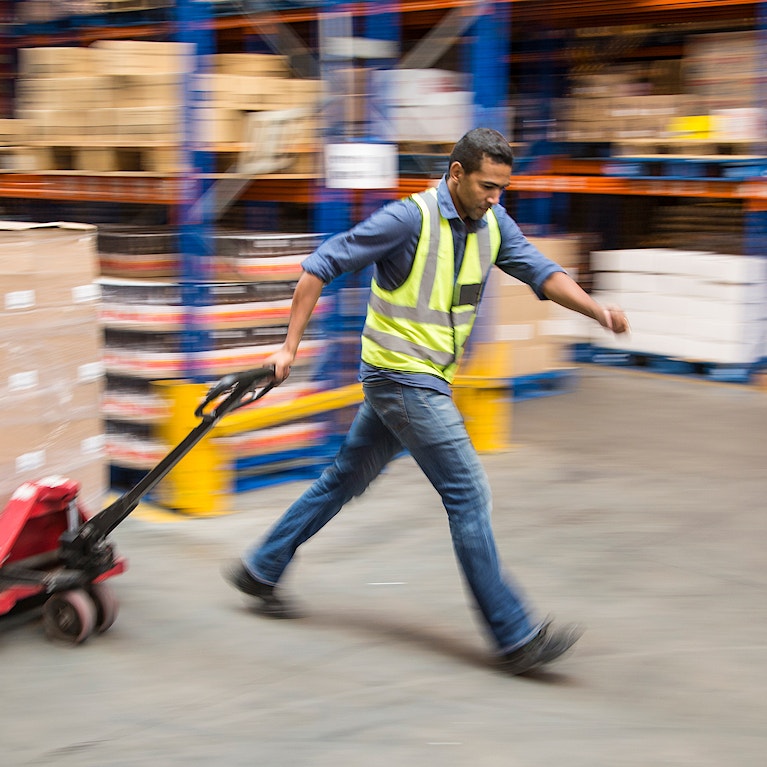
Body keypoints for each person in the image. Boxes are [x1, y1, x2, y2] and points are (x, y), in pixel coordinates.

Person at [225, 127, 629, 675]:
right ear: (456, 174)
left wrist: (597, 311)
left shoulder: (492, 224)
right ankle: (514, 636)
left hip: (427, 379)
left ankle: (261, 567)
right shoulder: (406, 220)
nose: (495, 198)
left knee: (346, 477)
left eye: (503, 189)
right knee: (467, 491)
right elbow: (319, 266)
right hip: (401, 378)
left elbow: (541, 272)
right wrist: (288, 346)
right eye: (487, 186)